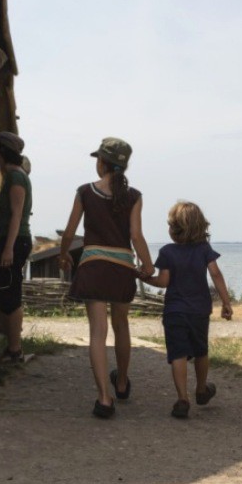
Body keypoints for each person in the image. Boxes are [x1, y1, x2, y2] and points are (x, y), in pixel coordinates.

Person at [59, 137, 153, 418]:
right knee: (121, 326)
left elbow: (69, 232)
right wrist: (147, 265)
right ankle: (122, 382)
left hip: (93, 267)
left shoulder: (84, 192)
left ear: (101, 163)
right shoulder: (134, 196)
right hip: (122, 269)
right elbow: (136, 236)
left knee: (98, 334)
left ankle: (104, 399)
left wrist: (64, 254)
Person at [140, 201, 232, 419]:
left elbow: (163, 282)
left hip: (174, 311)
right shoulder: (204, 250)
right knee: (201, 351)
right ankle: (201, 388)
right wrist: (226, 302)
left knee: (178, 354)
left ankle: (182, 398)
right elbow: (216, 274)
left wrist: (143, 277)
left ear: (173, 229)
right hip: (199, 310)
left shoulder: (167, 252)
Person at [0, 131, 33, 363]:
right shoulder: (12, 176)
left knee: (10, 294)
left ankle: (14, 351)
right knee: (2, 293)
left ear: (4, 152)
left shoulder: (16, 178)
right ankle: (11, 348)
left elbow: (17, 215)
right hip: (10, 240)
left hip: (14, 241)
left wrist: (8, 249)